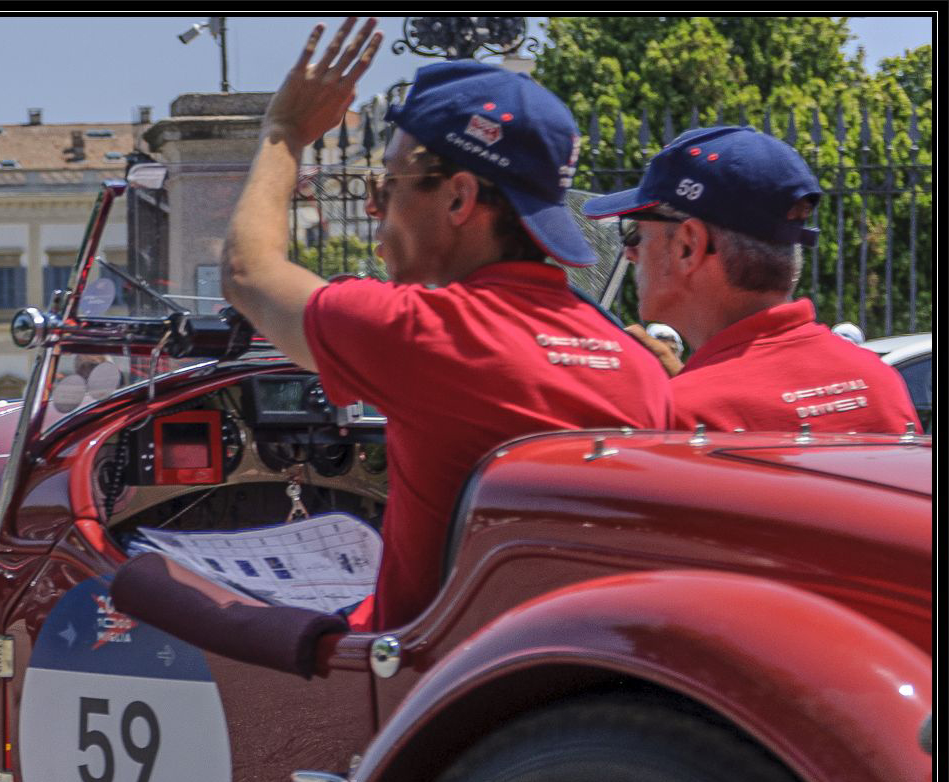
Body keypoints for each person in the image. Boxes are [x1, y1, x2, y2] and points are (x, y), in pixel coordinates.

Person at [221, 20, 674, 630]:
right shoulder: (637, 365)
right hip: (568, 681)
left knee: (151, 587)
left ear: (460, 198)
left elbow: (249, 272)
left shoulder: (422, 332)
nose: (376, 205)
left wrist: (284, 132)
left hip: (424, 681)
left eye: (389, 182)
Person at [582, 127, 919, 434]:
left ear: (689, 246)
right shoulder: (878, 384)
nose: (630, 253)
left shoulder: (680, 418)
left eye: (634, 232)